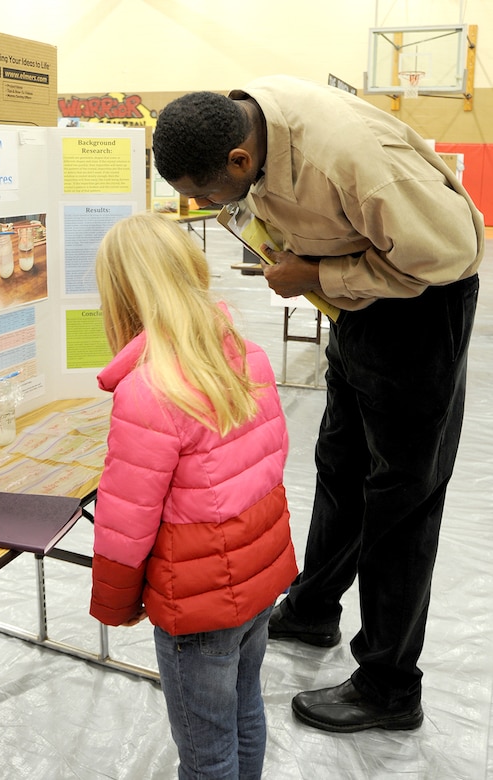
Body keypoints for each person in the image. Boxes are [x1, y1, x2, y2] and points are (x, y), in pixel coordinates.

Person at [151, 75, 485, 734]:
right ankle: (311, 608)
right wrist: (315, 272)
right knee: (340, 461)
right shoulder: (244, 119)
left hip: (422, 305)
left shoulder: (356, 164)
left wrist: (316, 275)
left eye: (207, 194)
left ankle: (389, 686)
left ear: (240, 161)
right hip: (357, 305)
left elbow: (451, 254)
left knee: (402, 494)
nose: (208, 207)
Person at [89, 211, 298, 779]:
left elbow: (124, 523)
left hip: (199, 604)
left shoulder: (148, 389)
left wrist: (114, 603)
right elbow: (270, 462)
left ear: (122, 295)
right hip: (259, 580)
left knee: (207, 754)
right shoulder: (244, 353)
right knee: (244, 711)